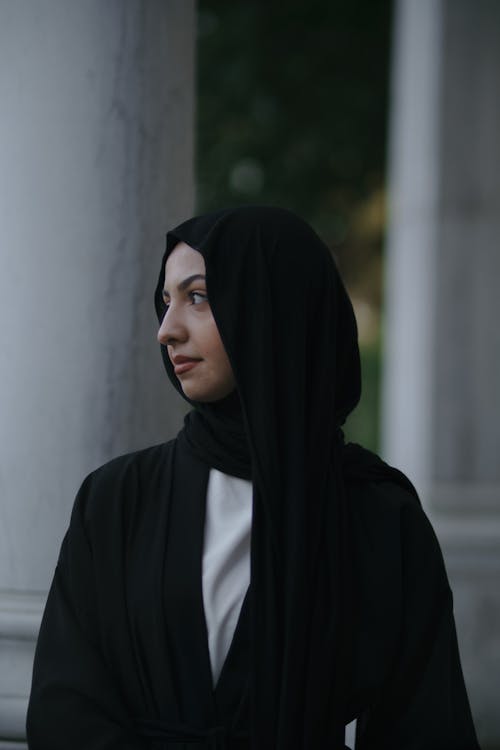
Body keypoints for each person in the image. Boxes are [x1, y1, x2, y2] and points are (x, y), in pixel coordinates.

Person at [26, 206, 480, 750]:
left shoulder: (381, 519)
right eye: (166, 301)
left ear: (276, 308)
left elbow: (427, 727)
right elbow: (65, 711)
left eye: (197, 296)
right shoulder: (116, 499)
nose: (165, 330)